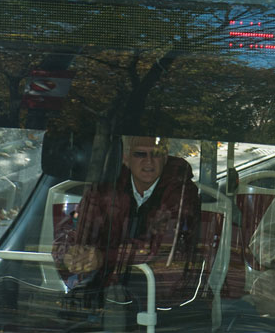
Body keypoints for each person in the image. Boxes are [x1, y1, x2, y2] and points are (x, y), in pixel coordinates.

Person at [52, 136, 202, 324]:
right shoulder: (106, 185)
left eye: (156, 154)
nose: (148, 161)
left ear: (165, 157)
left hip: (164, 296)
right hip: (106, 291)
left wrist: (102, 257)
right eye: (140, 154)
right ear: (125, 158)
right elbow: (74, 225)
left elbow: (159, 245)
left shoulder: (182, 192)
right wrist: (70, 251)